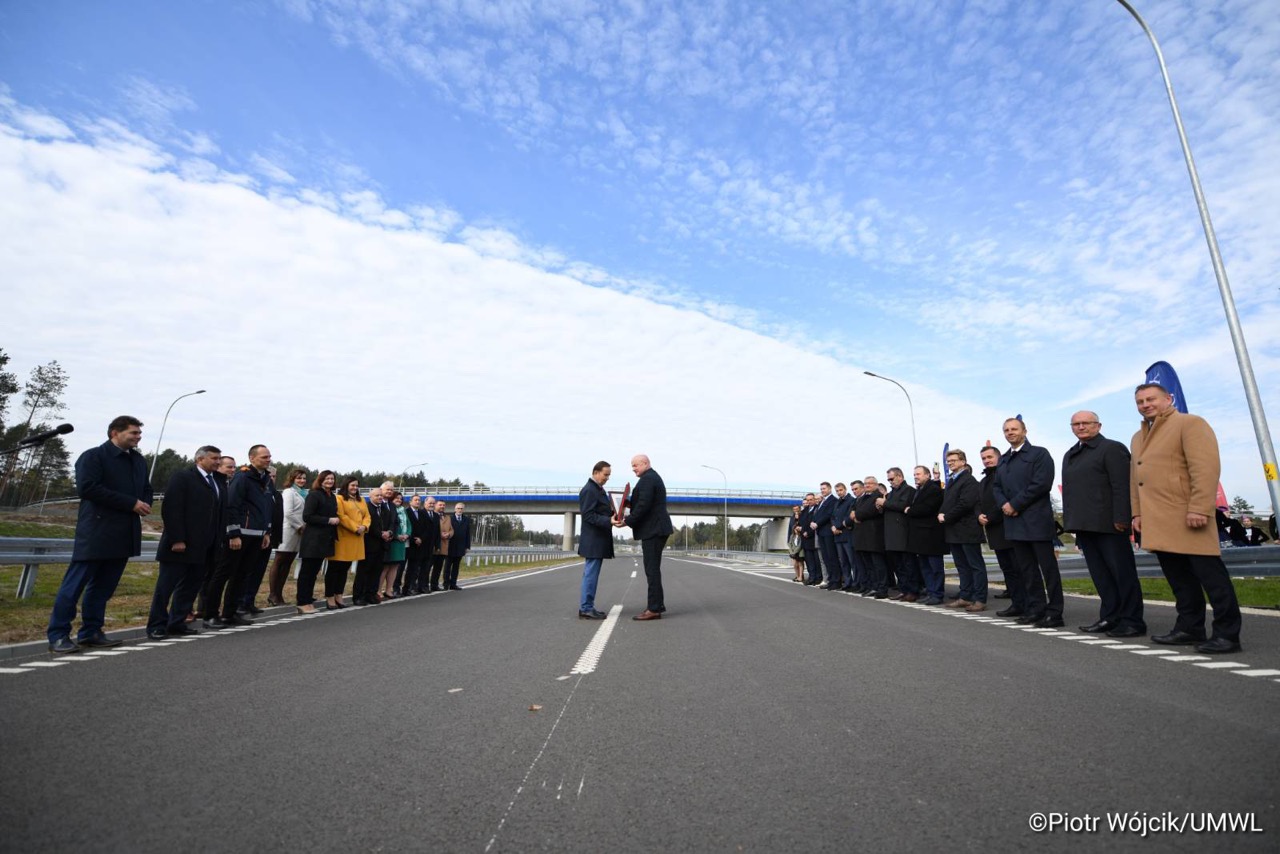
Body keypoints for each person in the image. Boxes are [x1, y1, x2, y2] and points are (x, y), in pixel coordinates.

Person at [1130, 383, 1243, 654]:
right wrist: (1137, 512)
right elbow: (1136, 479)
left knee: (1212, 578)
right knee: (1179, 580)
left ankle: (1228, 634)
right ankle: (1189, 628)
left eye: (1151, 399)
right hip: (1157, 520)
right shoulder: (1138, 437)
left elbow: (1205, 469)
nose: (1146, 404)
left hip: (1188, 516)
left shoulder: (1190, 424)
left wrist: (1200, 508)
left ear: (1168, 399)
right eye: (1140, 401)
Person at [47, 416, 153, 653]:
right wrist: (130, 503)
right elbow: (88, 488)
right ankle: (58, 635)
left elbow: (146, 487)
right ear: (115, 433)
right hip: (96, 532)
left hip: (124, 533)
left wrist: (144, 502)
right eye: (133, 433)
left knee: (103, 589)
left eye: (139, 433)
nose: (138, 437)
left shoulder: (138, 460)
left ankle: (91, 632)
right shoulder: (93, 456)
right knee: (73, 587)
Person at [1062, 411, 1145, 637]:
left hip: (1110, 524)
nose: (1081, 427)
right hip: (1084, 525)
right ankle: (1110, 617)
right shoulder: (1071, 454)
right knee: (1101, 576)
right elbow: (1071, 493)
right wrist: (1073, 524)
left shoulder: (1111, 448)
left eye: (1086, 423)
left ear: (1098, 425)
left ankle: (1132, 620)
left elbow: (1122, 486)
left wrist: (1122, 518)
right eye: (1076, 424)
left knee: (1121, 573)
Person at [146, 445, 223, 639]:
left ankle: (176, 622)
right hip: (180, 546)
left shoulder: (217, 481)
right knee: (166, 588)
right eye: (214, 458)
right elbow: (172, 509)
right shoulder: (183, 477)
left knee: (190, 587)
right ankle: (157, 625)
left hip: (203, 547)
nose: (218, 462)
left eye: (219, 458)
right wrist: (177, 538)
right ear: (200, 459)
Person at [994, 418, 1064, 628]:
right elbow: (996, 487)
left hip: (1036, 521)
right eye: (1006, 430)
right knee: (1027, 570)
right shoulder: (1004, 459)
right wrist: (1005, 504)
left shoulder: (1039, 454)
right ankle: (1036, 609)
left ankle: (1055, 612)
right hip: (1014, 524)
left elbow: (1041, 483)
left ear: (1024, 430)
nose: (1010, 432)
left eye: (1014, 429)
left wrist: (1015, 504)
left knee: (1048, 570)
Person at [204, 444, 277, 628]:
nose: (268, 460)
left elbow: (267, 508)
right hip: (240, 535)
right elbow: (231, 505)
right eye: (264, 457)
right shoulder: (243, 477)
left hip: (257, 536)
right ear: (252, 458)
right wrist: (233, 533)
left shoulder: (266, 478)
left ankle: (230, 613)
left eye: (269, 457)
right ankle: (210, 615)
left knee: (242, 576)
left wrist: (266, 531)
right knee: (223, 575)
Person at [620, 454, 674, 620]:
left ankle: (654, 608)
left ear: (644, 463)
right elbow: (643, 502)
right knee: (652, 569)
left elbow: (644, 505)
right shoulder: (650, 478)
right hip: (655, 529)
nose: (633, 469)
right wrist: (626, 504)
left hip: (654, 530)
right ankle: (656, 605)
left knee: (651, 570)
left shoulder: (648, 479)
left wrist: (627, 521)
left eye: (635, 465)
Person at [977, 446, 1026, 618]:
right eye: (984, 458)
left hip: (1008, 526)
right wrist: (979, 515)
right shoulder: (983, 481)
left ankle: (1027, 603)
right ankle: (1017, 603)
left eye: (990, 457)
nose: (987, 460)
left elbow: (1005, 500)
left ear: (998, 457)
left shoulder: (1005, 475)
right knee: (1007, 569)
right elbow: (979, 502)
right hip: (994, 531)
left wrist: (990, 516)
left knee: (1018, 568)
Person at [938, 450, 986, 611]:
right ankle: (965, 596)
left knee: (975, 566)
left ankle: (979, 599)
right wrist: (941, 514)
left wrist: (946, 516)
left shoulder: (969, 480)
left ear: (963, 462)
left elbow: (966, 504)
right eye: (948, 461)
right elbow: (949, 502)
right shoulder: (952, 481)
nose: (950, 463)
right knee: (962, 566)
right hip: (954, 530)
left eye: (953, 460)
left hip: (967, 529)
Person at [296, 470, 339, 613]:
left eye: (332, 479)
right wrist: (328, 520)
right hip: (313, 539)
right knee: (307, 572)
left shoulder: (332, 496)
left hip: (325, 540)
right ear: (320, 480)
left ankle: (308, 600)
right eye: (327, 479)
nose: (330, 481)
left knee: (314, 572)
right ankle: (302, 602)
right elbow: (307, 516)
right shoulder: (314, 495)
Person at [577, 460, 615, 619]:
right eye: (605, 475)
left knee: (591, 574)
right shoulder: (590, 490)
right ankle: (586, 608)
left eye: (609, 475)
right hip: (593, 541)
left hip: (597, 540)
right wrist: (609, 521)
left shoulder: (598, 490)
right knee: (590, 575)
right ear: (596, 472)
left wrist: (612, 515)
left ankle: (588, 606)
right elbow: (588, 516)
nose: (607, 478)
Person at [905, 467, 946, 605]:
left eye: (918, 474)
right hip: (920, 536)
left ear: (927, 475)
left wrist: (910, 510)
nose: (915, 476)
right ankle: (930, 592)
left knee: (935, 567)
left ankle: (937, 594)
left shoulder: (933, 489)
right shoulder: (919, 490)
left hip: (931, 535)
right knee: (925, 567)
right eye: (914, 474)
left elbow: (927, 508)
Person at [268, 468, 309, 606]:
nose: (302, 480)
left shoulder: (305, 493)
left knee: (288, 563)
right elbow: (288, 513)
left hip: (300, 532)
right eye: (299, 478)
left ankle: (279, 595)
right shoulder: (288, 492)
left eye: (303, 478)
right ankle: (273, 594)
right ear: (292, 479)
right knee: (279, 560)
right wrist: (300, 526)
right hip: (288, 530)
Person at [328, 477, 368, 609]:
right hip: (344, 537)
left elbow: (367, 516)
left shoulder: (361, 500)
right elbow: (341, 515)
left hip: (357, 538)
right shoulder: (339, 498)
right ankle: (330, 596)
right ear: (346, 485)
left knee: (345, 569)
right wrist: (356, 527)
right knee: (335, 568)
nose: (355, 488)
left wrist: (364, 526)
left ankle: (339, 594)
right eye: (352, 485)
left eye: (357, 485)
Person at [880, 467, 917, 601]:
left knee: (908, 564)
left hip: (902, 532)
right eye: (888, 479)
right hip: (891, 534)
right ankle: (904, 589)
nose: (890, 482)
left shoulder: (909, 490)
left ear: (900, 476)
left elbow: (903, 506)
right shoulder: (890, 493)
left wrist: (885, 503)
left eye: (892, 478)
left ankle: (912, 591)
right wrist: (881, 506)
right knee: (898, 565)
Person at [853, 475, 889, 598]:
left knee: (878, 565)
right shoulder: (862, 498)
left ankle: (882, 588)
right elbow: (854, 511)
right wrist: (857, 514)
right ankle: (873, 586)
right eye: (866, 483)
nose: (867, 485)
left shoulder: (878, 496)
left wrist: (857, 515)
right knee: (868, 565)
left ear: (876, 484)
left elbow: (869, 511)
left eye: (870, 483)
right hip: (863, 537)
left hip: (874, 536)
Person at [354, 485, 391, 605]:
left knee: (376, 572)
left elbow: (390, 522)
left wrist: (389, 532)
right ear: (370, 497)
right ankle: (359, 596)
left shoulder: (385, 508)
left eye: (381, 495)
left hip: (381, 545)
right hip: (369, 544)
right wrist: (380, 534)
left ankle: (371, 594)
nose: (380, 497)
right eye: (377, 495)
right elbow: (368, 524)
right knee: (364, 571)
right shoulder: (367, 508)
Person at [379, 491, 409, 599]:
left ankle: (388, 590)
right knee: (385, 567)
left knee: (395, 567)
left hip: (401, 543)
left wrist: (407, 535)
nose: (399, 500)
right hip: (392, 541)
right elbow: (391, 525)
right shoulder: (389, 509)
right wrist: (396, 536)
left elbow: (408, 525)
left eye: (401, 499)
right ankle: (379, 590)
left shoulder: (403, 511)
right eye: (397, 498)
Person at [810, 482, 839, 589]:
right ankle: (830, 580)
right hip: (821, 532)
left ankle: (836, 581)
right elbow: (818, 514)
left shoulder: (833, 500)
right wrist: (813, 522)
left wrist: (817, 523)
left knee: (832, 557)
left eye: (824, 488)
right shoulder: (823, 501)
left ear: (830, 489)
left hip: (828, 532)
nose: (822, 490)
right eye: (821, 489)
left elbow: (828, 515)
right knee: (826, 558)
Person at [830, 483, 855, 592]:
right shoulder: (837, 503)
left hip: (847, 534)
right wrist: (833, 527)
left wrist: (839, 527)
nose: (839, 492)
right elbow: (832, 517)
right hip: (837, 536)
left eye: (841, 490)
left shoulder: (851, 500)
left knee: (852, 561)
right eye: (837, 491)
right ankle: (847, 582)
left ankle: (856, 583)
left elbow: (849, 516)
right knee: (843, 562)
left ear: (845, 489)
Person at [445, 501, 471, 590]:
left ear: (463, 510)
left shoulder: (466, 520)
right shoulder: (449, 519)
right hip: (450, 546)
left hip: (461, 547)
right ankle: (446, 584)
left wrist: (467, 546)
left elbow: (468, 534)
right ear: (455, 509)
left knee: (456, 567)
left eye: (461, 508)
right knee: (447, 566)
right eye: (458, 508)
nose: (460, 510)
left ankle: (453, 584)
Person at [431, 499, 453, 591]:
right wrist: (440, 534)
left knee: (438, 568)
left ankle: (434, 585)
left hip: (444, 546)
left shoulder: (447, 517)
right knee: (427, 567)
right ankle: (422, 585)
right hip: (433, 546)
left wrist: (449, 534)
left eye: (443, 505)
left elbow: (451, 529)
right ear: (435, 505)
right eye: (440, 505)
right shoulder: (432, 515)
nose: (442, 507)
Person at [787, 505, 805, 582]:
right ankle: (797, 576)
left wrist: (798, 518)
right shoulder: (792, 517)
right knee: (795, 563)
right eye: (794, 509)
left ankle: (801, 576)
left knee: (800, 562)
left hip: (800, 539)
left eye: (797, 509)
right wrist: (788, 540)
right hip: (793, 539)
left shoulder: (802, 516)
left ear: (799, 509)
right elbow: (790, 528)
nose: (795, 510)